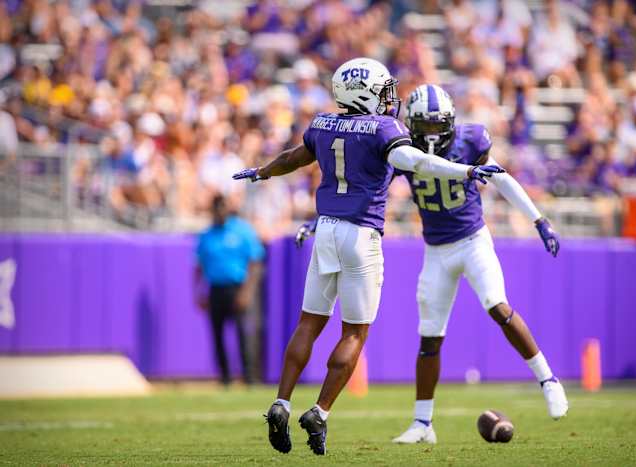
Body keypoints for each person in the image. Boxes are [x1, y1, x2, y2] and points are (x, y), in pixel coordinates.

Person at [233, 57, 504, 456]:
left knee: (308, 323)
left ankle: (282, 401)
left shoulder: (322, 123)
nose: (389, 98)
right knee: (354, 331)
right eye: (383, 90)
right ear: (364, 92)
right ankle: (320, 412)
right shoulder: (384, 128)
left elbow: (293, 157)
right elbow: (415, 161)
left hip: (325, 228)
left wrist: (262, 171)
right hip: (361, 234)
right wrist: (461, 171)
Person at [390, 84, 569, 444]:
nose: (430, 135)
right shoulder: (401, 151)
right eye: (422, 127)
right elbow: (372, 191)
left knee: (497, 307)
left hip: (473, 241)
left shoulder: (472, 140)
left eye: (435, 126)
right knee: (429, 338)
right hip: (436, 250)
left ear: (451, 122)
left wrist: (539, 220)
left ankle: (548, 380)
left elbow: (500, 177)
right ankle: (423, 423)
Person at [194, 194, 264, 386]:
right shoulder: (207, 235)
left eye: (222, 208)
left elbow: (255, 263)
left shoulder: (242, 230)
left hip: (239, 288)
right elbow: (198, 266)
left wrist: (247, 292)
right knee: (217, 335)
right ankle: (224, 378)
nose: (220, 213)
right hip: (216, 289)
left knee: (245, 334)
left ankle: (251, 378)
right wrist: (198, 291)